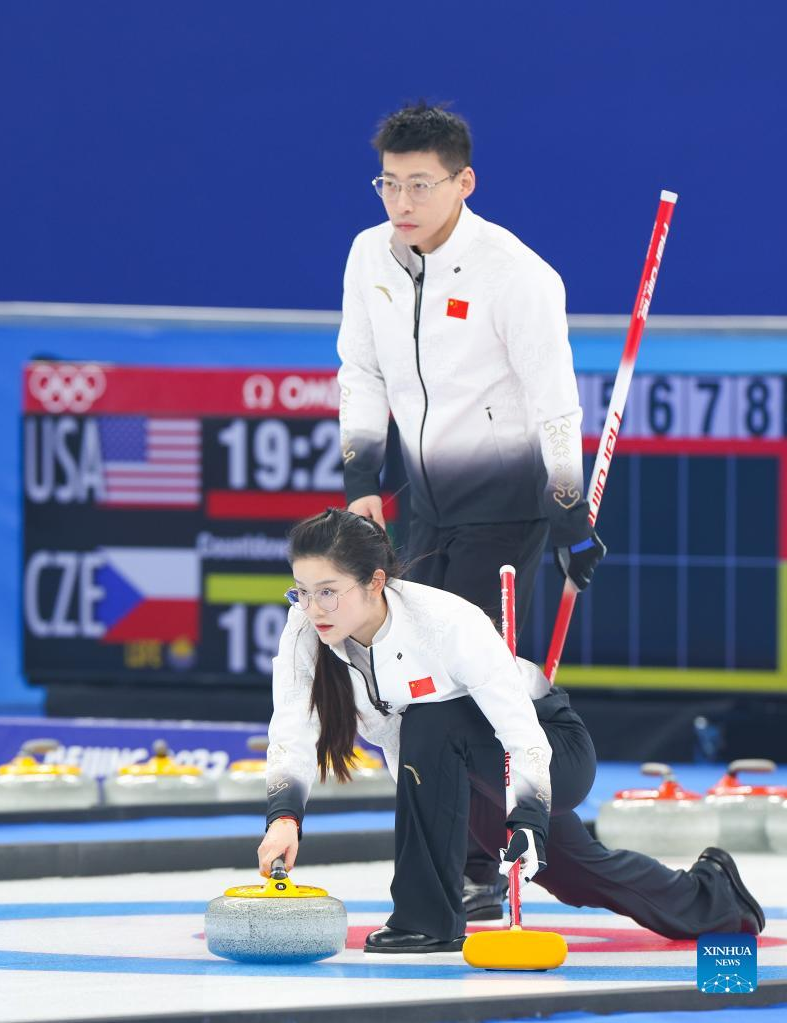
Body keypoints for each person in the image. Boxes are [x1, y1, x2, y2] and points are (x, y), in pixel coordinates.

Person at [258, 509, 765, 954]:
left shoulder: (445, 623)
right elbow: (292, 728)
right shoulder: (305, 632)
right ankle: (712, 897)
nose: (312, 608)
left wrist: (529, 818)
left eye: (328, 592)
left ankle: (426, 920)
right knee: (575, 875)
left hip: (549, 748)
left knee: (431, 716)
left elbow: (521, 732)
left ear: (375, 581)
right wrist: (284, 817)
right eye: (302, 591)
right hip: (459, 763)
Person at [337, 101, 606, 917]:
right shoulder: (369, 255)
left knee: (464, 679)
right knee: (410, 674)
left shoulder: (517, 274)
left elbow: (554, 403)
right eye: (389, 183)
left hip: (505, 508)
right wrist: (361, 477)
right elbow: (360, 371)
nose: (402, 201)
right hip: (421, 503)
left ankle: (482, 861)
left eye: (420, 184)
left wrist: (569, 514)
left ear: (464, 183)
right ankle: (455, 852)